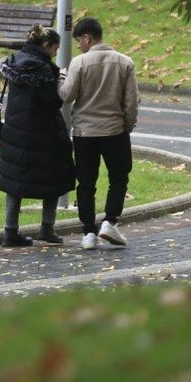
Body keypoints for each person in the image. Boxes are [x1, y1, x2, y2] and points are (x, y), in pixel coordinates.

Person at [58, 17, 139, 250]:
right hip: (115, 131)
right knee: (119, 178)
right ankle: (110, 222)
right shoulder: (125, 62)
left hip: (85, 133)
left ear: (87, 37)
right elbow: (131, 101)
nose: (78, 46)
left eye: (79, 41)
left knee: (86, 183)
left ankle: (88, 233)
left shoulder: (79, 63)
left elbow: (67, 96)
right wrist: (128, 125)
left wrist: (60, 79)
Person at [0, 24, 75, 247]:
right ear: (47, 46)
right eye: (55, 49)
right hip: (43, 133)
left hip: (15, 130)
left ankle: (10, 231)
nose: (55, 53)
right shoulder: (45, 70)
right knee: (53, 179)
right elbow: (53, 101)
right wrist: (61, 79)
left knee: (15, 180)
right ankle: (47, 228)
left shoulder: (15, 62)